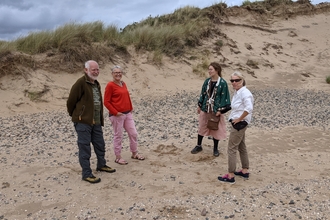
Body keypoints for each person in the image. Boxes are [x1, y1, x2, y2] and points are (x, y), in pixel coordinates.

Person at [67, 60, 116, 184]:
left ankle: (101, 165)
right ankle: (86, 173)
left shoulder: (96, 83)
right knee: (85, 147)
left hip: (97, 121)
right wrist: (77, 116)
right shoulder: (81, 83)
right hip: (83, 122)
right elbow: (71, 101)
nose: (96, 71)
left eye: (97, 69)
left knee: (100, 144)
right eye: (93, 69)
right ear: (86, 70)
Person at [104, 65, 145, 165]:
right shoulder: (110, 85)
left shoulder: (123, 83)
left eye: (119, 72)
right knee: (118, 135)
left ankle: (134, 153)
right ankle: (118, 157)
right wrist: (116, 112)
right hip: (117, 115)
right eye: (116, 72)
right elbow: (106, 101)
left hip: (127, 113)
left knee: (133, 133)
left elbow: (126, 96)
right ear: (112, 74)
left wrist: (130, 107)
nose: (118, 74)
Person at [218, 71, 254, 184]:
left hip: (239, 124)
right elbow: (234, 106)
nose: (234, 82)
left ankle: (230, 174)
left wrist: (239, 119)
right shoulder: (237, 92)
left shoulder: (245, 93)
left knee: (231, 148)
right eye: (232, 80)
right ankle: (244, 170)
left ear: (242, 80)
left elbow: (249, 108)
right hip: (239, 123)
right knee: (241, 146)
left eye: (236, 80)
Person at [191, 62, 231, 157]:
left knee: (215, 128)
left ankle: (215, 148)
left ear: (216, 70)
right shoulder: (207, 81)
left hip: (216, 109)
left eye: (211, 69)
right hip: (206, 107)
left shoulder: (223, 83)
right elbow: (203, 94)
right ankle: (199, 145)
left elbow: (224, 97)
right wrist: (200, 105)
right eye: (208, 69)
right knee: (202, 125)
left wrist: (220, 110)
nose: (209, 71)